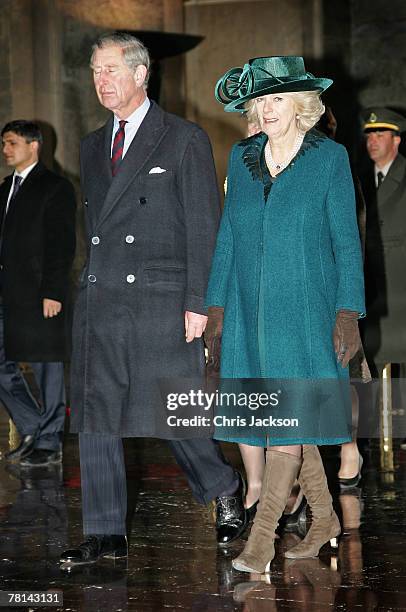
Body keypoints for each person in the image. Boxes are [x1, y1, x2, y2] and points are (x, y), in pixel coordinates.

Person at [60, 32, 247, 567]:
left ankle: (221, 485)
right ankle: (104, 533)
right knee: (97, 414)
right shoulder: (92, 145)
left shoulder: (183, 138)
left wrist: (199, 302)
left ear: (142, 75)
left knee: (172, 412)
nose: (102, 81)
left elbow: (203, 225)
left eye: (112, 70)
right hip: (101, 299)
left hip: (160, 299)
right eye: (96, 71)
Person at [205, 56, 365, 573]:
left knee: (284, 425)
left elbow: (347, 241)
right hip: (250, 314)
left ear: (302, 106)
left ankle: (261, 540)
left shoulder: (330, 158)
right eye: (260, 100)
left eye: (278, 99)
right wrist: (215, 308)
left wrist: (348, 314)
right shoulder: (242, 155)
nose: (267, 109)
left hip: (307, 313)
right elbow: (228, 236)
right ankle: (324, 520)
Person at [0, 120, 76, 467]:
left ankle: (49, 440)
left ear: (34, 146)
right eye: (3, 143)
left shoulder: (55, 187)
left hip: (41, 293)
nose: (5, 150)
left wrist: (54, 292)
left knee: (48, 368)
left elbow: (62, 245)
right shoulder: (5, 189)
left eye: (12, 142)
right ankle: (32, 425)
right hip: (7, 295)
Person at [359, 108, 406, 447]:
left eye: (380, 135)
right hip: (369, 281)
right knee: (373, 357)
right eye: (369, 135)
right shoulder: (360, 177)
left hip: (399, 282)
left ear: (397, 140)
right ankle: (379, 436)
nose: (372, 141)